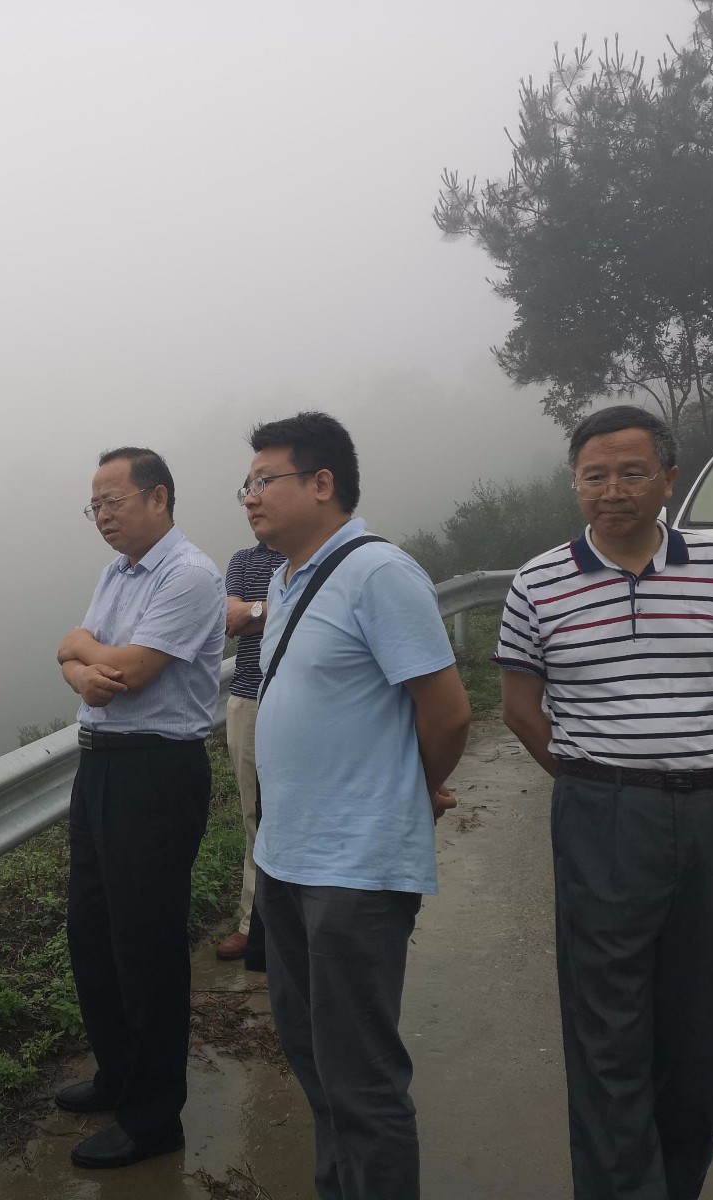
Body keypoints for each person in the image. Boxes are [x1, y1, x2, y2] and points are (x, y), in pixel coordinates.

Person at [493, 405, 713, 1200]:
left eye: (631, 472)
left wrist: (694, 753)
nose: (611, 490)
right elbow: (520, 708)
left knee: (698, 1028)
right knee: (608, 1031)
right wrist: (597, 780)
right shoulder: (539, 583)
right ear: (575, 483)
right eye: (594, 476)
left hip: (712, 817)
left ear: (668, 478)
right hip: (602, 816)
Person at [245, 411, 471, 1200]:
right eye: (246, 484)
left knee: (361, 1079)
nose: (250, 496)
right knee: (313, 1059)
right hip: (286, 860)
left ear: (322, 483)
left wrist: (412, 790)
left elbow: (447, 713)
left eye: (264, 479)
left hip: (355, 869)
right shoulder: (286, 579)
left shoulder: (378, 573)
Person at [52, 446, 226, 1170]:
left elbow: (129, 670)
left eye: (113, 501)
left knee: (146, 943)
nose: (101, 516)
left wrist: (82, 653)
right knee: (92, 931)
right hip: (100, 764)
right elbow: (72, 656)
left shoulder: (189, 574)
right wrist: (79, 661)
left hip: (156, 770)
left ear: (158, 498)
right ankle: (119, 1074)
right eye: (94, 506)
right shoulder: (116, 573)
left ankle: (154, 1117)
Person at [215, 535, 285, 963]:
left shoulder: (312, 554)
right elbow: (230, 620)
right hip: (247, 697)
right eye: (245, 500)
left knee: (297, 809)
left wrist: (255, 610)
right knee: (253, 814)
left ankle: (294, 921)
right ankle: (252, 923)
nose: (252, 504)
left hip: (300, 696)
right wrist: (280, 609)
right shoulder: (243, 560)